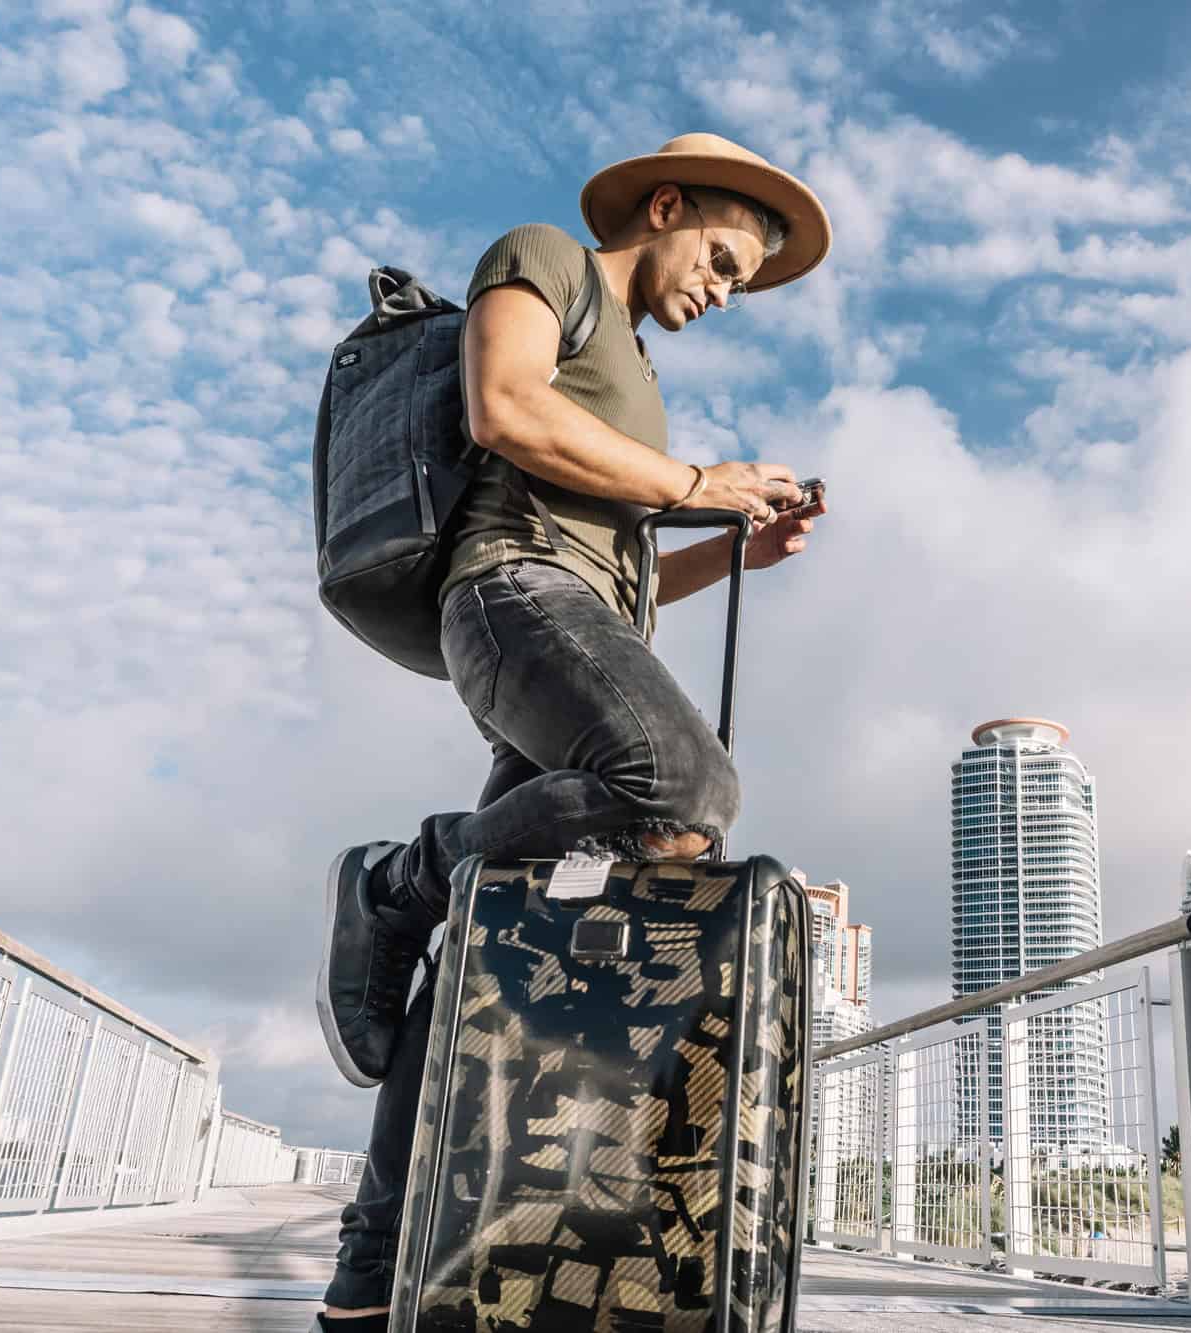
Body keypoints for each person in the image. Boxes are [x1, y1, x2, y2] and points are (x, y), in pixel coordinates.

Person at [311, 133, 833, 1330]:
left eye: (738, 283)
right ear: (663, 206)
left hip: (569, 607)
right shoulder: (547, 259)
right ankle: (399, 879)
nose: (721, 290)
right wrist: (696, 477)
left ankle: (361, 1276)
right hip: (508, 594)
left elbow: (621, 583)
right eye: (719, 258)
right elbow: (501, 409)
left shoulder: (632, 371)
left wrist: (726, 547)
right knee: (679, 785)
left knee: (484, 955)